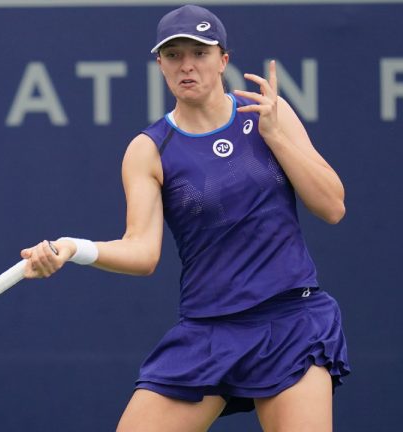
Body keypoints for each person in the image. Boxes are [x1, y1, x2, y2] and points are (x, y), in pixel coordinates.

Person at [20, 4, 350, 431]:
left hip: (291, 320)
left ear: (223, 60)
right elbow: (142, 252)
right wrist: (74, 248)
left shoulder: (269, 114)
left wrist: (275, 137)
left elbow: (332, 206)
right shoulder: (148, 149)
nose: (186, 65)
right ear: (160, 64)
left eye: (199, 53)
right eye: (173, 55)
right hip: (208, 330)